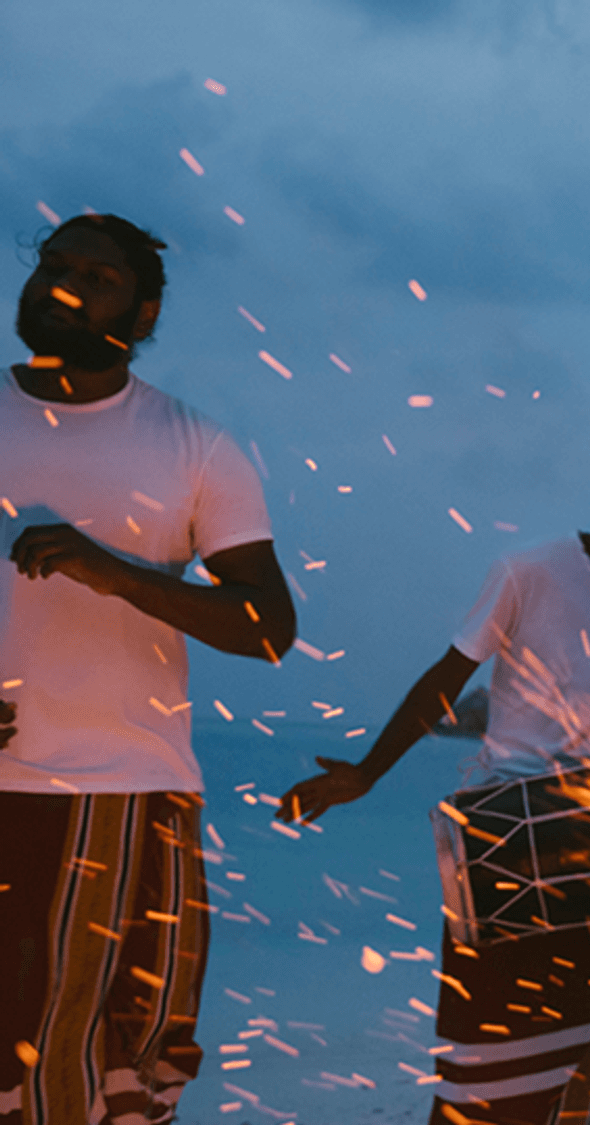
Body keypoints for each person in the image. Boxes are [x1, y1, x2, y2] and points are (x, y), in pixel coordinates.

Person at [279, 445, 590, 1125]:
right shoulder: (529, 570)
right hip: (502, 833)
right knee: (481, 1056)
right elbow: (447, 678)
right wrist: (368, 771)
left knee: (587, 1055)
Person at [0, 214, 296, 1125]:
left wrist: (115, 572)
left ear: (145, 313)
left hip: (125, 796)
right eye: (53, 265)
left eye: (98, 277)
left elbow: (269, 627)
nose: (65, 284)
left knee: (108, 1073)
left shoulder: (194, 446)